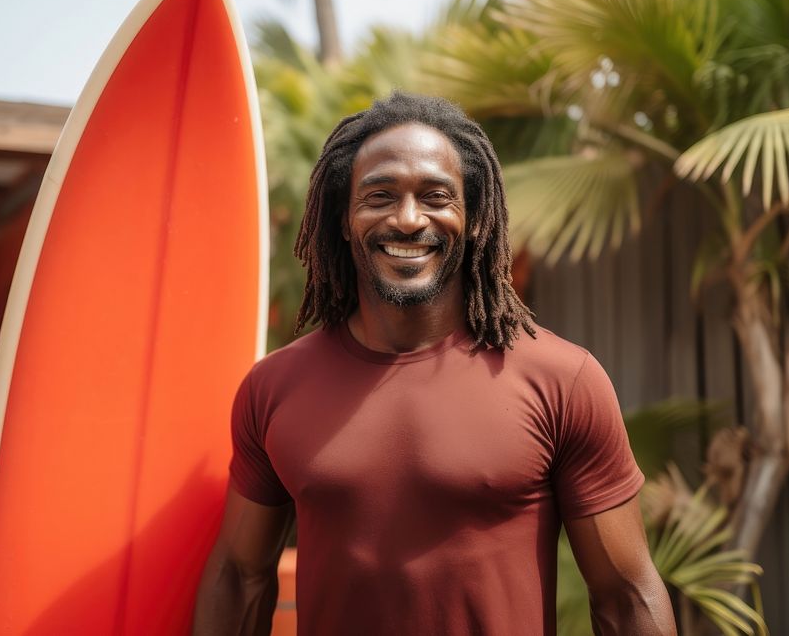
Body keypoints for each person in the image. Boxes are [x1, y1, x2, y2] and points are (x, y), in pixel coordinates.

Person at [194, 92, 676, 635]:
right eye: (378, 196)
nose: (406, 219)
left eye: (435, 196)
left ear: (472, 219)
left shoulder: (562, 380)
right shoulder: (274, 387)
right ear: (345, 219)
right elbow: (239, 577)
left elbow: (625, 595)